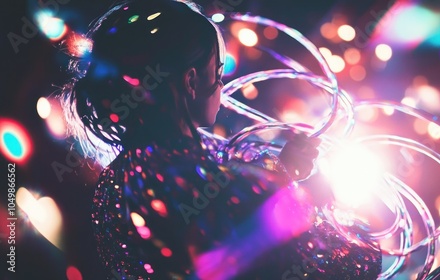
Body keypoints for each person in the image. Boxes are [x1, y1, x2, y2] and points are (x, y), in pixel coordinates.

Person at [59, 0, 382, 279]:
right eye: (218, 71)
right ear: (191, 81)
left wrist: (281, 171)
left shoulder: (119, 182)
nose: (223, 86)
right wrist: (315, 202)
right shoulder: (170, 175)